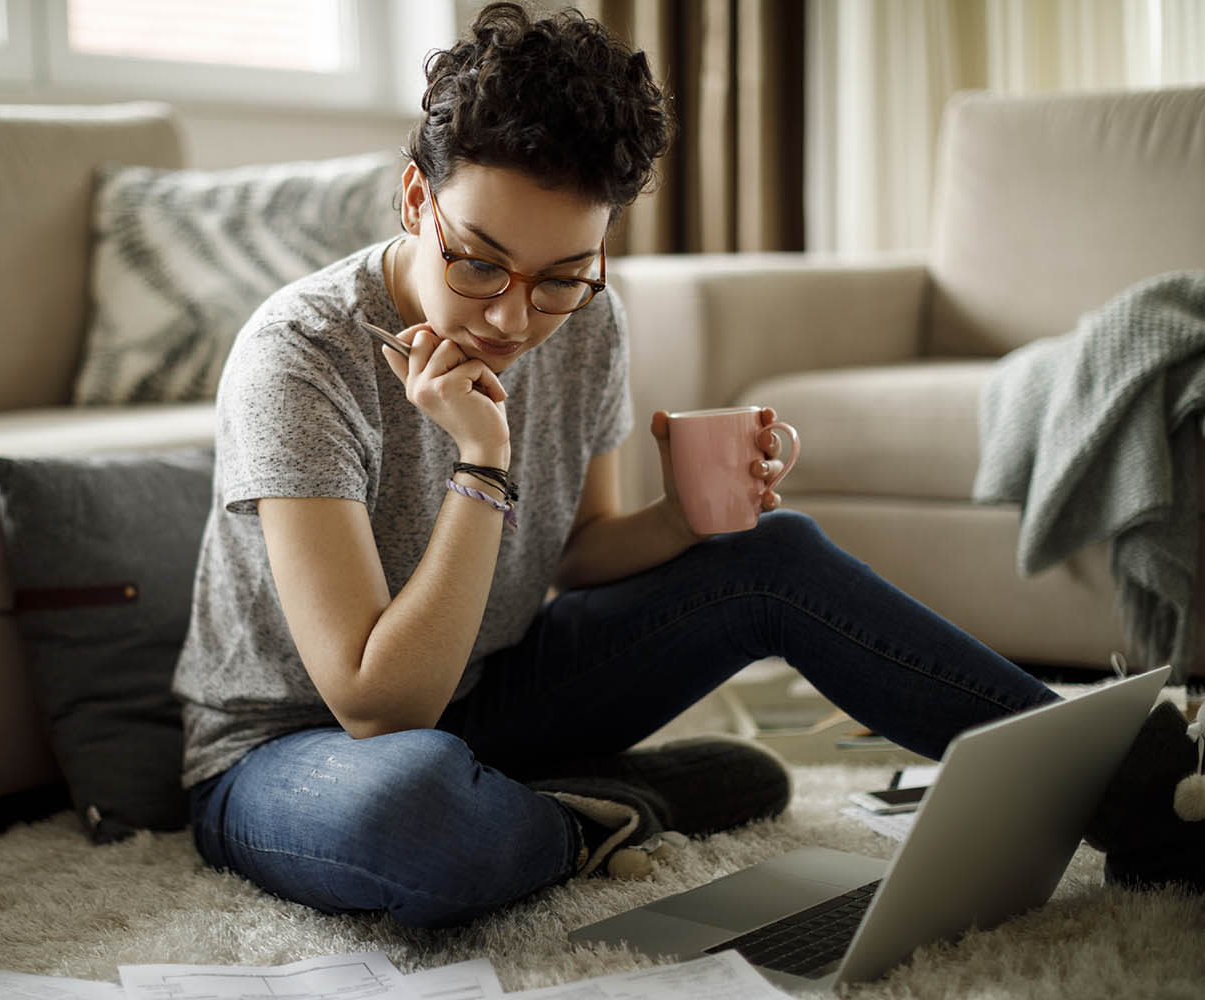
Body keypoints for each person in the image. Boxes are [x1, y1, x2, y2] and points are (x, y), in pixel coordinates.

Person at [174, 3, 1202, 928]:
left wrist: (689, 520)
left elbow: (577, 554)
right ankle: (617, 805)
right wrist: (482, 465)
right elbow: (374, 703)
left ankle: (1130, 787)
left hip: (492, 691)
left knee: (777, 551)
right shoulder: (301, 353)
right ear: (414, 198)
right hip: (292, 749)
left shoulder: (588, 324)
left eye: (563, 276)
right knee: (421, 817)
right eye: (478, 260)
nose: (511, 316)